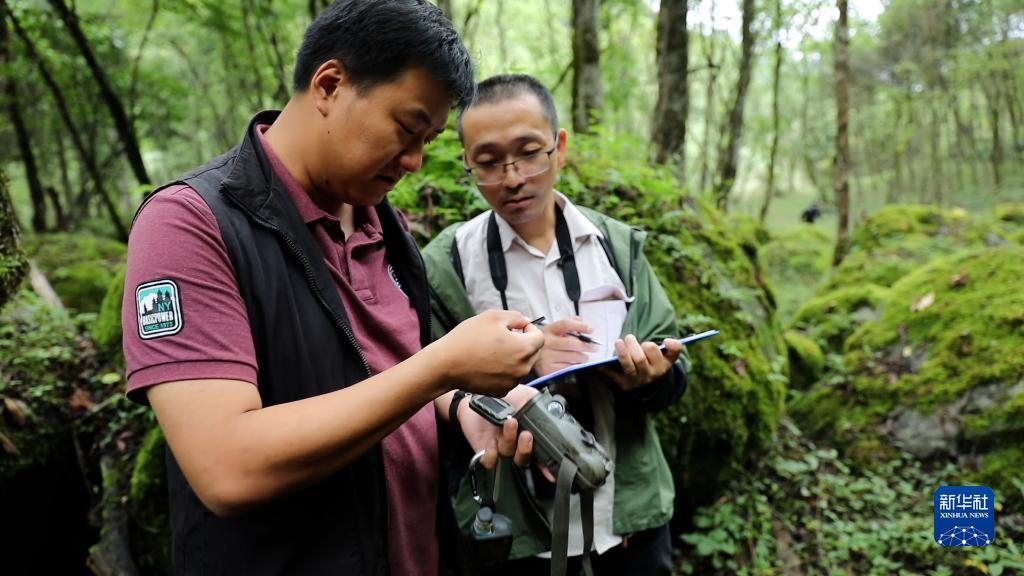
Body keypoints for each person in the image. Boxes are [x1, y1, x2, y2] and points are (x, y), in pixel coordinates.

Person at [120, 2, 544, 575]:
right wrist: (442, 367)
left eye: (430, 140)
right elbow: (225, 466)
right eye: (407, 128)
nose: (416, 161)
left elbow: (379, 369)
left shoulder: (379, 222)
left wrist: (462, 408)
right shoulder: (189, 225)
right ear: (331, 84)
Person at [422, 74, 687, 576]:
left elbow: (675, 373)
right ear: (467, 165)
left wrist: (650, 376)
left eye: (529, 152)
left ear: (559, 148)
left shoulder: (615, 247)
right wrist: (518, 365)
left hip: (630, 522)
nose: (513, 177)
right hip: (517, 535)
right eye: (487, 162)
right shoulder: (448, 265)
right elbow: (419, 379)